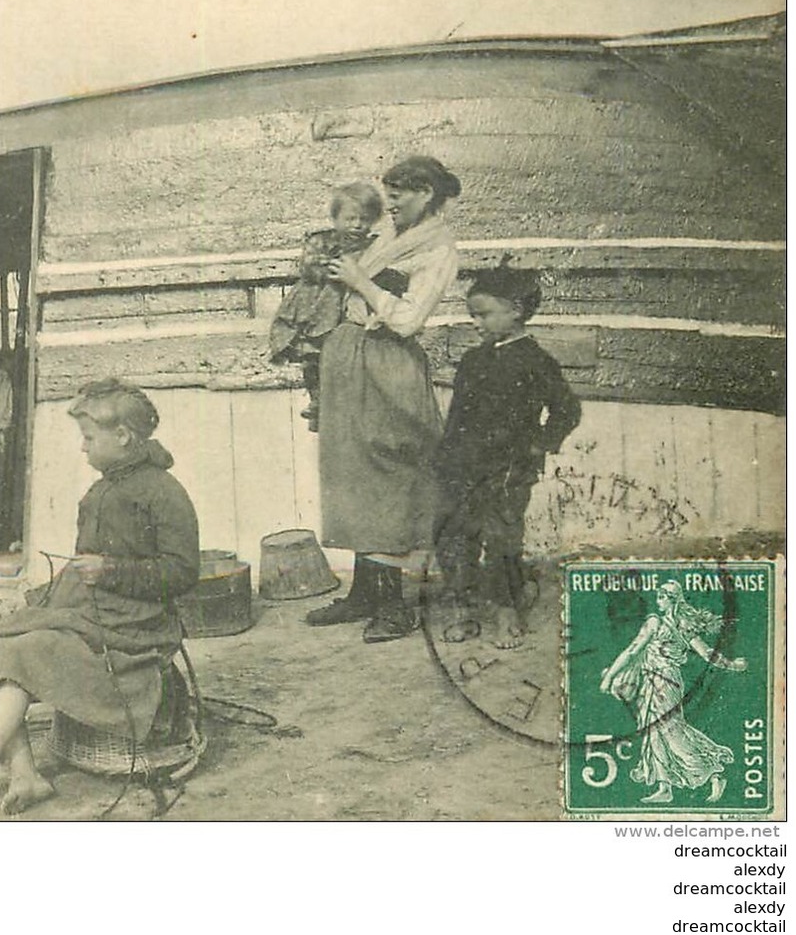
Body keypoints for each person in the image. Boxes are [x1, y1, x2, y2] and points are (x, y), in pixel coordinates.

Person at [0, 378, 199, 820]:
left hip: (136, 630)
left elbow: (183, 573)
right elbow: (80, 572)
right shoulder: (101, 491)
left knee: (29, 650)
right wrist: (33, 597)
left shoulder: (164, 492)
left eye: (88, 438)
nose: (82, 448)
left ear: (122, 437)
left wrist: (112, 570)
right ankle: (25, 773)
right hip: (94, 615)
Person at [305, 156, 462, 642]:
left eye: (401, 193)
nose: (389, 202)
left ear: (429, 194)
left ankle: (395, 605)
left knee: (388, 473)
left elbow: (409, 320)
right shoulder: (394, 235)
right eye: (389, 191)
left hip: (387, 362)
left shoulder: (438, 249)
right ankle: (364, 593)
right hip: (350, 356)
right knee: (350, 471)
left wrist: (359, 282)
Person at [435, 265, 582, 648]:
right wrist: (445, 457)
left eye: (483, 314)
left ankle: (506, 611)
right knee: (456, 535)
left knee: (501, 537)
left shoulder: (536, 361)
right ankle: (463, 610)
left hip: (510, 469)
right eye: (472, 315)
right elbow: (457, 417)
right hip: (464, 467)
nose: (476, 323)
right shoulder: (471, 362)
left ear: (516, 310)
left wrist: (538, 444)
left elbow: (566, 410)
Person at [599, 580, 746, 804]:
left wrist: (610, 676)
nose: (657, 600)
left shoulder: (657, 623)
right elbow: (707, 653)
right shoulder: (680, 625)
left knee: (670, 732)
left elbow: (632, 651)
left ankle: (713, 772)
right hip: (654, 682)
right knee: (654, 732)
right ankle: (664, 787)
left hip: (665, 683)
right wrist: (732, 664)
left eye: (661, 596)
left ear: (671, 599)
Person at [269, 181, 384, 431]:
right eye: (350, 218)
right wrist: (340, 267)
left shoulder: (375, 245)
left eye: (364, 219)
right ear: (335, 218)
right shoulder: (321, 241)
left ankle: (350, 401)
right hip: (316, 303)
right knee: (313, 354)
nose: (356, 225)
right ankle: (317, 398)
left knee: (347, 352)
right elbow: (309, 266)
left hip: (348, 303)